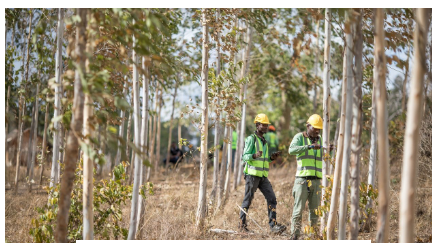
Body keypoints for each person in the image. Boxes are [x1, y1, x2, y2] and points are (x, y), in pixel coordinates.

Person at [239, 113, 286, 234]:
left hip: (263, 176)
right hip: (252, 175)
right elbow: (244, 157)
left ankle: (273, 226)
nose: (266, 127)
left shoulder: (264, 141)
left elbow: (263, 160)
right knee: (247, 200)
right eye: (263, 125)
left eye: (267, 125)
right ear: (257, 125)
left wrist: (271, 158)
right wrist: (254, 155)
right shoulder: (251, 139)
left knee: (272, 198)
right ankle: (241, 225)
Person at [288, 114, 334, 240]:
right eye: (315, 128)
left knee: (315, 212)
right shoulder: (299, 137)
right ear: (308, 126)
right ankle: (294, 236)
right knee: (298, 211)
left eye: (319, 129)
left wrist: (329, 150)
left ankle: (312, 236)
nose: (317, 131)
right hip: (302, 181)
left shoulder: (321, 139)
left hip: (317, 181)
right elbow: (291, 150)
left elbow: (324, 159)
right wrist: (309, 146)